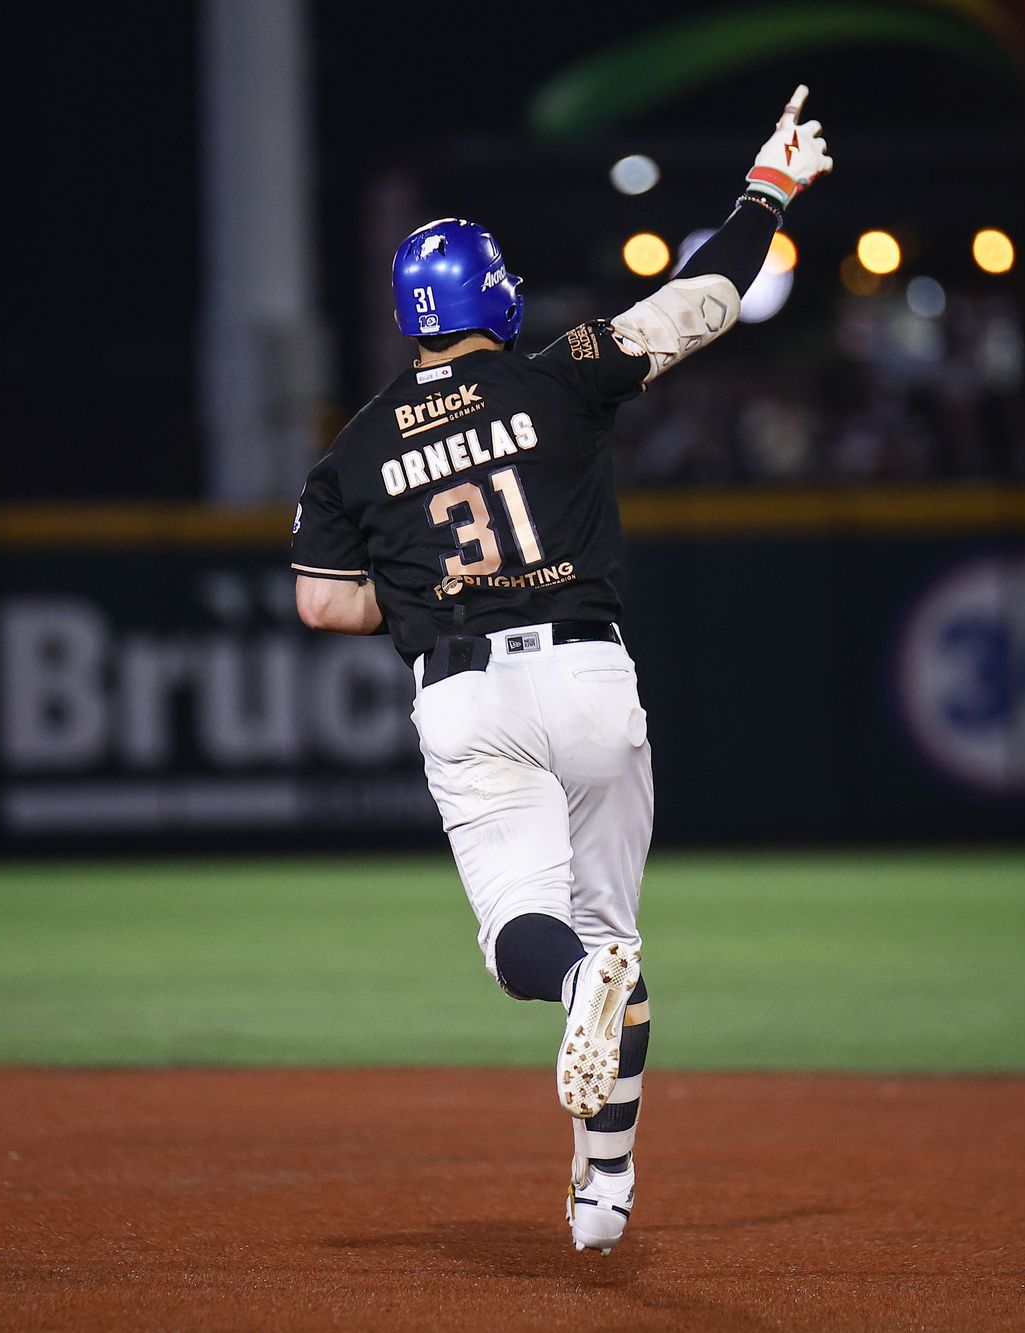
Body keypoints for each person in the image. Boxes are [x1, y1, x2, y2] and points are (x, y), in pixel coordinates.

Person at [289, 86, 832, 1254]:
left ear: (403, 317)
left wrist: (432, 592)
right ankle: (603, 1190)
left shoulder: (356, 449)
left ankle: (571, 984)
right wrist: (767, 190)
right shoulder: (560, 371)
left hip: (464, 693)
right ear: (497, 297)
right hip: (588, 675)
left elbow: (321, 601)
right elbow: (705, 302)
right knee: (616, 943)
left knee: (528, 943)